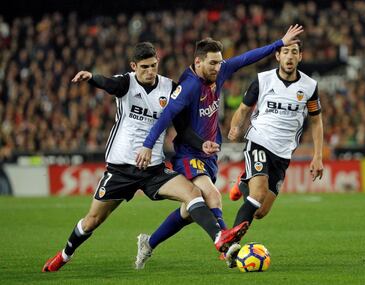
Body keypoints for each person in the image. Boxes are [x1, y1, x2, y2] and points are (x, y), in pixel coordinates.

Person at [42, 42, 249, 272]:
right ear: (134, 66)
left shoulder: (170, 88)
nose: (150, 71)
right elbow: (109, 83)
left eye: (153, 66)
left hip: (153, 170)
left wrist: (202, 144)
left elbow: (183, 129)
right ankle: (64, 255)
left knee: (193, 193)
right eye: (144, 67)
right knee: (92, 220)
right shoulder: (126, 82)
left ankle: (220, 238)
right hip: (121, 169)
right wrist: (91, 77)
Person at [134, 25, 304, 269]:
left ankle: (149, 243)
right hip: (188, 154)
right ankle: (228, 248)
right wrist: (147, 145)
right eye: (212, 63)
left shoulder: (219, 72)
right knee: (212, 195)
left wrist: (279, 42)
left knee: (188, 211)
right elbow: (166, 115)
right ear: (198, 61)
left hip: (208, 155)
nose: (217, 68)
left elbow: (247, 58)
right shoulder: (189, 86)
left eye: (219, 63)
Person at [225, 39, 324, 266]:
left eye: (294, 52)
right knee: (257, 194)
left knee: (260, 211)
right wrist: (235, 127)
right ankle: (230, 247)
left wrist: (317, 156)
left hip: (283, 154)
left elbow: (316, 121)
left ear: (300, 57)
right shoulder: (263, 80)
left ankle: (243, 182)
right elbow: (243, 109)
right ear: (278, 56)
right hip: (259, 141)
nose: (290, 56)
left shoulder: (309, 86)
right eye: (285, 52)